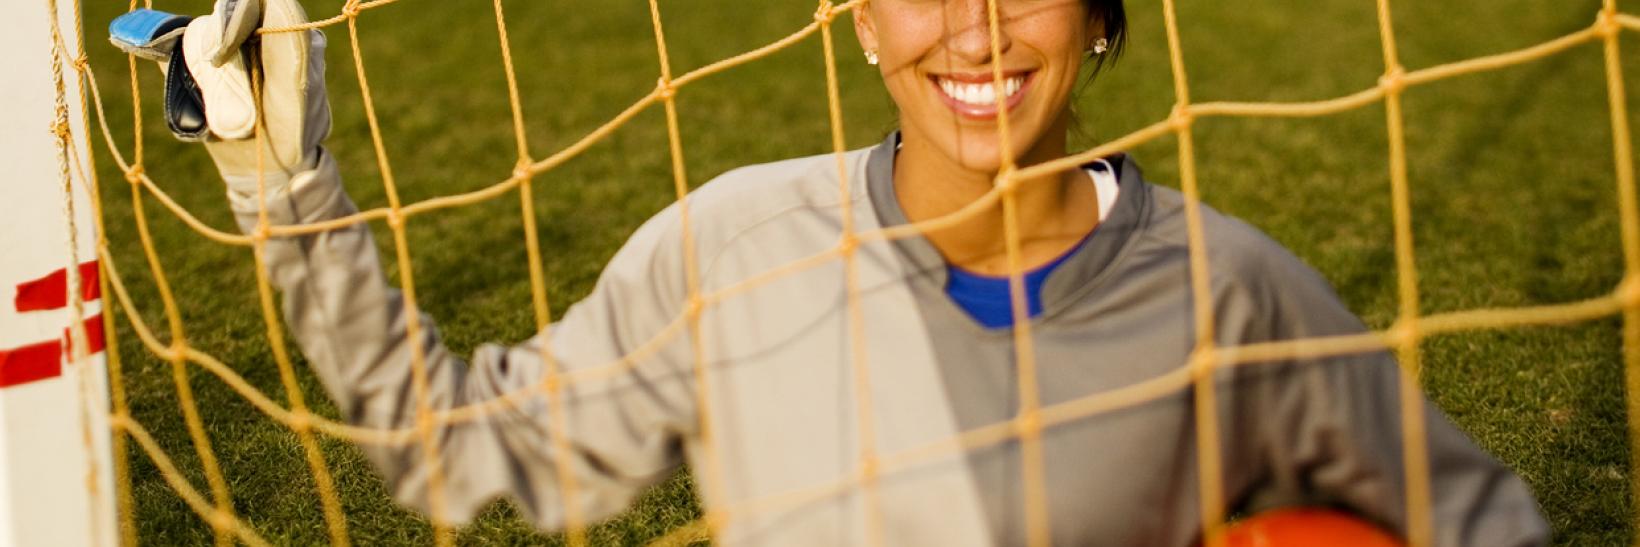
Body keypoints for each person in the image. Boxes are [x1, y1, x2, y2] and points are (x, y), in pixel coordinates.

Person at [113, 0, 1551, 544]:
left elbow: (1477, 517)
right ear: (859, 21)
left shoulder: (1227, 290)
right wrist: (285, 183)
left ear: (1103, 21)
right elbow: (454, 450)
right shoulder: (735, 244)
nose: (974, 31)